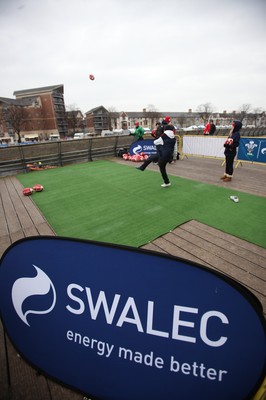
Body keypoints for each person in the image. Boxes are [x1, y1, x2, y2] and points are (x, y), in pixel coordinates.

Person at [154, 123, 176, 187]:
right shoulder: (174, 137)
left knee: (162, 167)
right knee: (162, 166)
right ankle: (166, 181)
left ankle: (167, 182)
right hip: (170, 155)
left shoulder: (163, 136)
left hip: (164, 154)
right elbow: (175, 149)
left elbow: (155, 142)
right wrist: (174, 157)